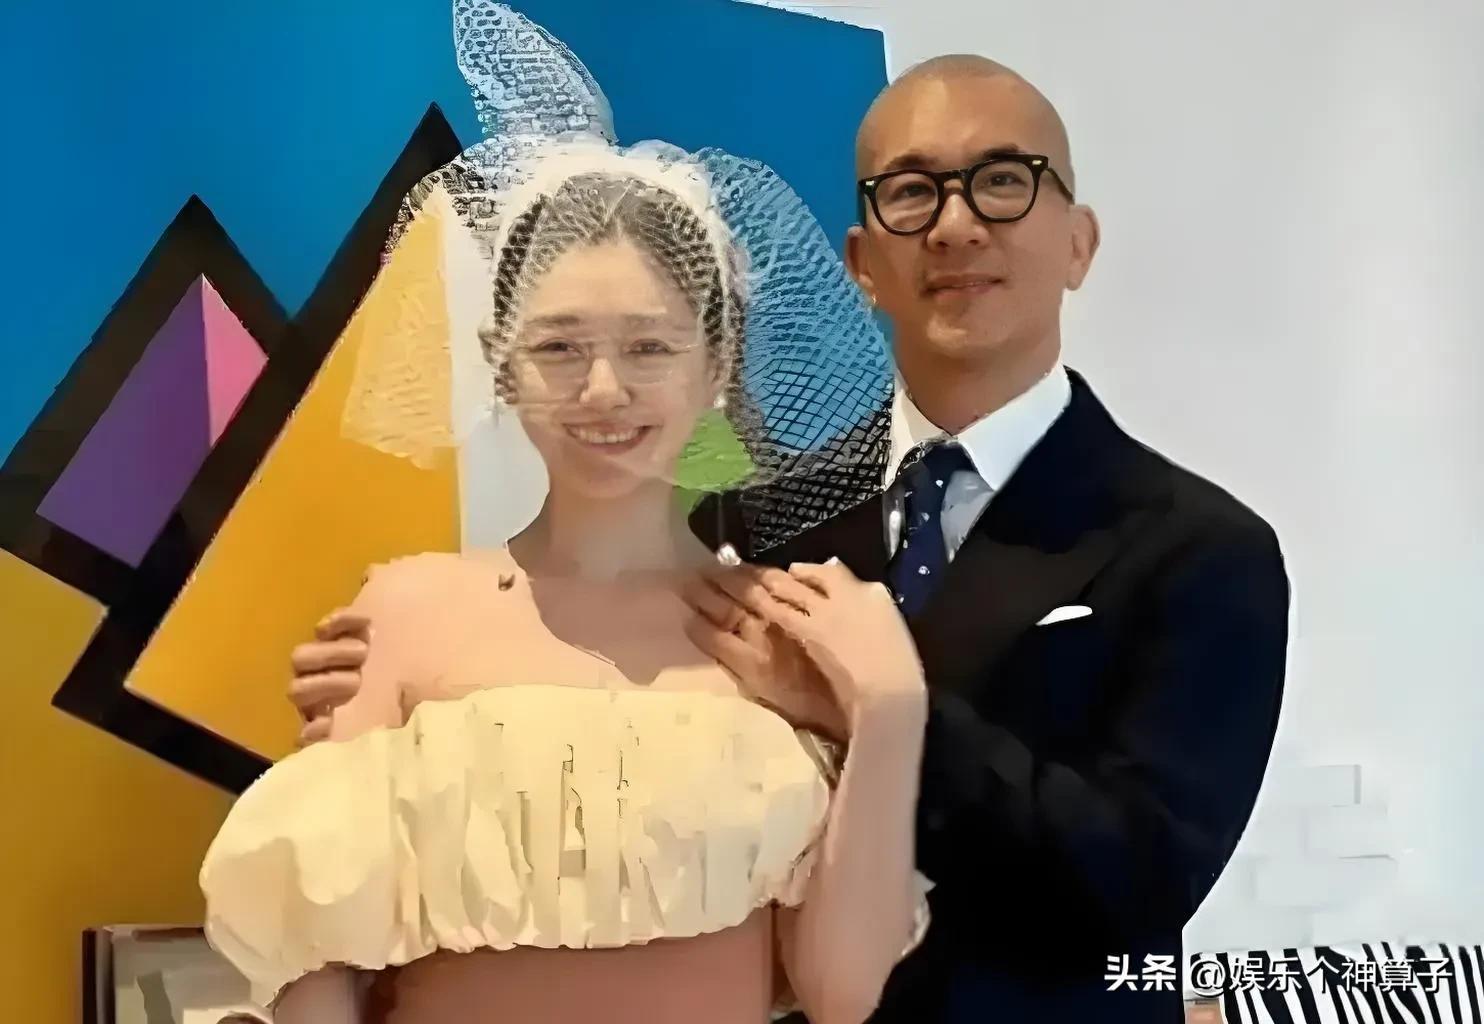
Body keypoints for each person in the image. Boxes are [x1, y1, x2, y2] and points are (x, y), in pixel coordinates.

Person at [293, 47, 1289, 1024]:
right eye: (911, 192)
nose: (954, 225)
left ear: (1077, 241)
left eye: (1001, 182)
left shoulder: (1200, 549)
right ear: (861, 264)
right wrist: (414, 684)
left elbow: (1139, 881)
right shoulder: (756, 523)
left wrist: (874, 710)